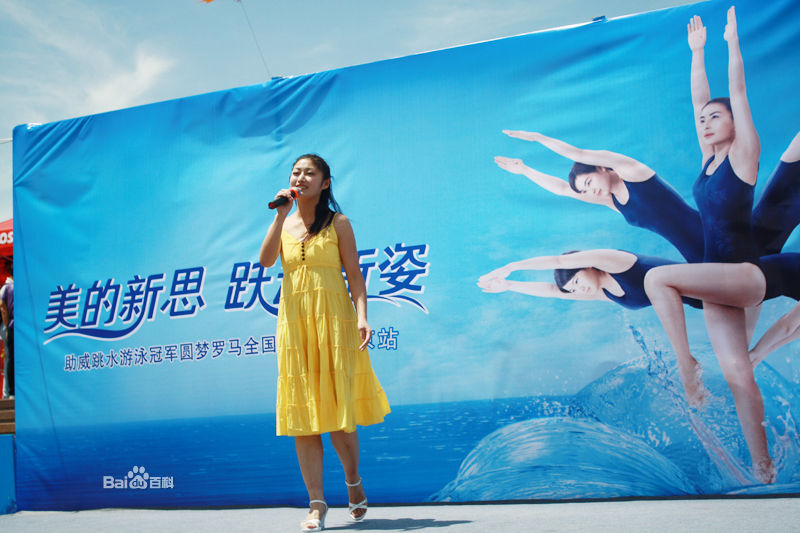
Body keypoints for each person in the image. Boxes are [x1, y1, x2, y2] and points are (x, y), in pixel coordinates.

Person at [644, 7, 775, 484]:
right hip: (717, 280)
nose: (705, 122)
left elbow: (735, 93)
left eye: (715, 118)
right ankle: (764, 468)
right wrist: (696, 54)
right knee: (739, 375)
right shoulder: (708, 160)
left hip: (744, 275)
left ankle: (686, 368)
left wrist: (730, 44)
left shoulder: (744, 155)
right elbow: (699, 98)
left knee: (658, 278)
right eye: (702, 121)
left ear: (736, 124)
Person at [259, 154, 390, 532]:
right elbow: (266, 261)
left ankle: (353, 481)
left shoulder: (338, 223)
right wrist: (279, 216)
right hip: (296, 325)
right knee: (303, 417)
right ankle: (316, 503)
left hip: (334, 322)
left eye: (309, 173)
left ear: (325, 182)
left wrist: (362, 316)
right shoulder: (283, 221)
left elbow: (355, 276)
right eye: (296, 173)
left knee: (338, 415)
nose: (301, 178)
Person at [495, 133, 704, 263]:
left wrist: (538, 138)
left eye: (588, 183)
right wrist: (525, 170)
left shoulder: (633, 172)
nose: (590, 191)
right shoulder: (613, 200)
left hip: (710, 233)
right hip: (694, 256)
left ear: (601, 167)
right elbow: (562, 189)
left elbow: (579, 154)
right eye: (584, 191)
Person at [477, 249, 702, 311]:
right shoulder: (604, 292)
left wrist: (511, 267)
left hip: (704, 281)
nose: (579, 290)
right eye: (573, 289)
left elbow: (558, 260)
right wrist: (509, 286)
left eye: (576, 281)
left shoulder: (616, 263)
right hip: (701, 302)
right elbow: (554, 291)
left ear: (587, 265)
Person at [0, 259, 13, 399]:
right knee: (9, 358)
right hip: (7, 326)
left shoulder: (6, 287)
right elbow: (2, 307)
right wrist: (7, 325)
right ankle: (7, 392)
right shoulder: (7, 287)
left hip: (7, 325)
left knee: (10, 358)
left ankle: (7, 392)